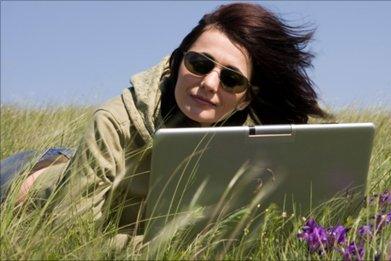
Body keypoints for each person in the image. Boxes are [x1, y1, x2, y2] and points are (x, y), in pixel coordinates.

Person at [4, 2, 330, 243]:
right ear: (178, 62)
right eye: (200, 63)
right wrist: (173, 248)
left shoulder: (247, 140)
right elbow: (73, 233)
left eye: (231, 79)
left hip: (86, 163)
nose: (210, 84)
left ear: (245, 96)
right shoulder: (114, 120)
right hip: (25, 180)